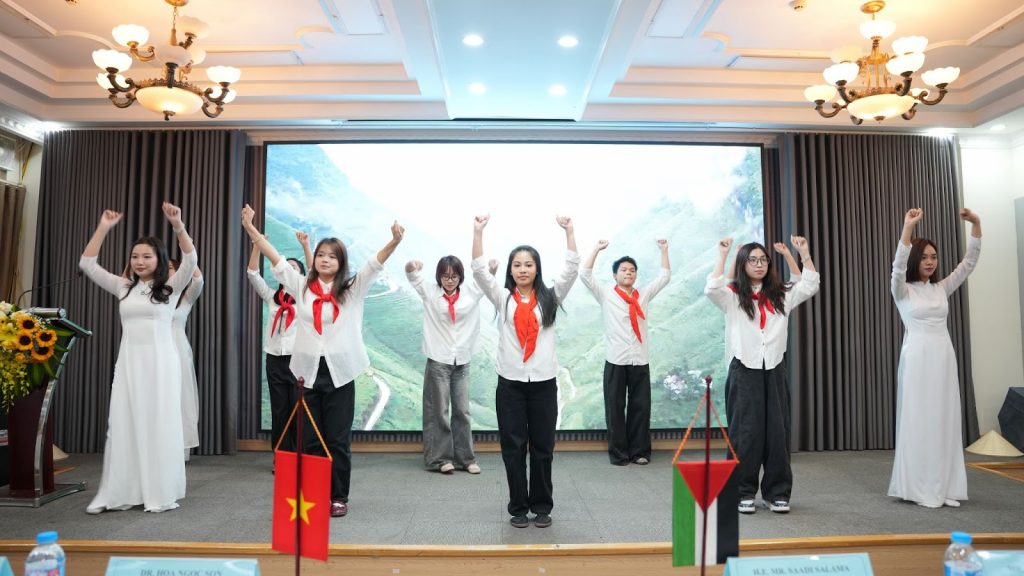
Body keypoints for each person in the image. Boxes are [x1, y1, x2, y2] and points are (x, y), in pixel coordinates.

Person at [241, 204, 404, 518]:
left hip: (340, 373)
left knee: (337, 439)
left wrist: (394, 241)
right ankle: (315, 494)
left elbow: (374, 264)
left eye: (332, 256)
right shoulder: (301, 287)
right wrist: (250, 228)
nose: (325, 259)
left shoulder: (351, 290)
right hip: (307, 373)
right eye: (320, 255)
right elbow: (274, 257)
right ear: (314, 260)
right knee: (310, 438)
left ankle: (338, 496)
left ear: (341, 262)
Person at [79, 202, 196, 514]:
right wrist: (104, 227)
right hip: (129, 364)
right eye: (135, 256)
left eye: (146, 256)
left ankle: (159, 491)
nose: (140, 261)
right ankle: (122, 491)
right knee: (124, 423)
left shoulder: (170, 288)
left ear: (159, 260)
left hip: (161, 365)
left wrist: (178, 226)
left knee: (158, 423)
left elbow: (190, 260)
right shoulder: (123, 287)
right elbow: (88, 264)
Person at [471, 214, 579, 529]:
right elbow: (478, 271)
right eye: (517, 265)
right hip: (511, 386)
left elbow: (572, 269)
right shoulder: (502, 297)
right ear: (510, 270)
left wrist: (569, 232)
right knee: (513, 449)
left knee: (543, 449)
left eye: (528, 264)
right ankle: (518, 507)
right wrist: (478, 232)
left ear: (537, 269)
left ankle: (542, 505)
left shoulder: (550, 298)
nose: (522, 270)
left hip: (543, 385)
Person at [705, 236, 819, 515]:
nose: (759, 264)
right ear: (743, 264)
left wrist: (802, 253)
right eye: (753, 260)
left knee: (777, 432)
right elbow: (712, 288)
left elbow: (809, 284)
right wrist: (724, 255)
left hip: (774, 368)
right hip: (744, 368)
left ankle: (777, 492)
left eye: (763, 260)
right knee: (745, 433)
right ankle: (742, 492)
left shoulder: (781, 294)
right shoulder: (733, 296)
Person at [888, 207, 981, 508]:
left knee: (944, 418)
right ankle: (918, 487)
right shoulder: (902, 290)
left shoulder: (941, 288)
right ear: (916, 259)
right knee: (919, 419)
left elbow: (968, 263)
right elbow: (898, 267)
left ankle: (944, 485)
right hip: (917, 358)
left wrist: (976, 224)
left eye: (934, 257)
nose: (930, 262)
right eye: (925, 257)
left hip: (943, 357)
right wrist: (907, 228)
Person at [579, 239, 671, 466]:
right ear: (615, 275)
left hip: (640, 359)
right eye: (623, 270)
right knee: (615, 408)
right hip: (616, 360)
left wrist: (664, 250)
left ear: (636, 275)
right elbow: (585, 275)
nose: (628, 273)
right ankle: (619, 453)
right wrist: (596, 249)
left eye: (632, 270)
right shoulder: (606, 294)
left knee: (641, 407)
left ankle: (639, 451)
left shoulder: (643, 295)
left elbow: (664, 277)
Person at [405, 255, 496, 475]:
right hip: (439, 360)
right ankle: (439, 459)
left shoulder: (470, 293)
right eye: (445, 276)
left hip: (462, 361)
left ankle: (465, 458)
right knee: (438, 411)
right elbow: (412, 275)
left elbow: (485, 281)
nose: (449, 280)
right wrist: (412, 265)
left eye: (454, 276)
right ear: (439, 277)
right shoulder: (430, 292)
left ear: (460, 277)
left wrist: (492, 269)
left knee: (462, 411)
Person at [245, 232, 313, 455]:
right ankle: (282, 458)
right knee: (280, 409)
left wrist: (306, 246)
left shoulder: (305, 298)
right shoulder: (271, 297)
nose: (288, 269)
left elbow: (313, 273)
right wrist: (258, 244)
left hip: (297, 360)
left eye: (294, 268)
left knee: (299, 410)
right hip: (274, 359)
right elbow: (252, 274)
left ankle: (300, 457)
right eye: (286, 266)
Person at [168, 259, 204, 460]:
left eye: (171, 268)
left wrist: (188, 259)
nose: (168, 271)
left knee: (180, 396)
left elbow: (198, 280)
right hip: (155, 349)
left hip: (179, 349)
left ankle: (179, 448)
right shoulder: (152, 293)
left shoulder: (186, 297)